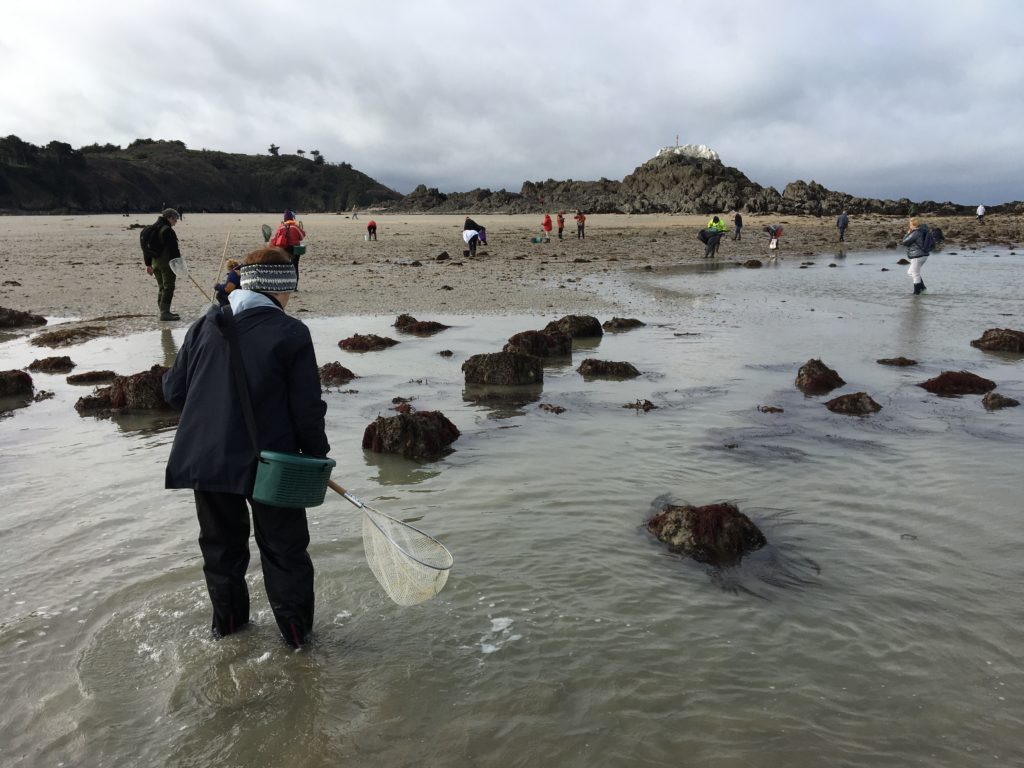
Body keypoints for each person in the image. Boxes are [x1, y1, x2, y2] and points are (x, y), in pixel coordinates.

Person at [163, 246, 330, 649]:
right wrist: (318, 458)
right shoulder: (291, 332)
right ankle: (298, 646)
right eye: (289, 288)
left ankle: (228, 637)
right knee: (284, 553)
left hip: (208, 460)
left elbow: (173, 392)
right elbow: (307, 410)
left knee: (221, 553)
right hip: (272, 465)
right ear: (279, 289)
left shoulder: (204, 326)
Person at [145, 207, 182, 321]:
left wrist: (148, 264)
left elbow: (146, 248)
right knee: (168, 287)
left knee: (162, 287)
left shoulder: (152, 228)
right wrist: (178, 263)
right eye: (175, 220)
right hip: (166, 263)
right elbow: (173, 249)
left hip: (155, 262)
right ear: (170, 218)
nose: (175, 223)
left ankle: (163, 310)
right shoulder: (167, 230)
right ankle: (165, 313)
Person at [270, 210, 306, 288]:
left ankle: (284, 284)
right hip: (295, 249)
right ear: (292, 218)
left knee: (284, 267)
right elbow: (302, 236)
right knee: (295, 266)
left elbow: (274, 240)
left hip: (284, 249)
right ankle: (294, 286)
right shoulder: (295, 227)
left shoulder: (281, 227)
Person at [901, 216, 930, 295]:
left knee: (915, 274)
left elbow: (904, 242)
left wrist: (908, 233)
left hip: (917, 255)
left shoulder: (916, 233)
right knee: (910, 272)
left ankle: (916, 293)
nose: (909, 225)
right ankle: (922, 288)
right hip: (923, 255)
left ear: (914, 224)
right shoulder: (923, 230)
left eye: (910, 223)